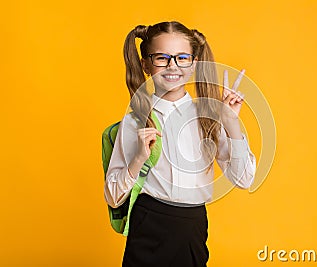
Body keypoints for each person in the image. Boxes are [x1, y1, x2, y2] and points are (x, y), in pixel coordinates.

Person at [104, 21, 256, 267]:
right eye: (161, 58)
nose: (172, 66)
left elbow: (244, 179)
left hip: (191, 230)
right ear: (145, 64)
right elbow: (112, 197)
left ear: (194, 64)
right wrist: (138, 159)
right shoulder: (135, 121)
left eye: (182, 57)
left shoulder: (208, 117)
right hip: (147, 228)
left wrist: (230, 122)